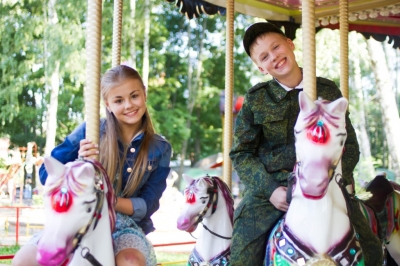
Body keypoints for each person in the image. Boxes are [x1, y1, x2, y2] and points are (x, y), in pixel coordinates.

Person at [229, 22, 382, 266]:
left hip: (328, 182)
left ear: (289, 44)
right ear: (260, 67)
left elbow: (349, 144)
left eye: (276, 47)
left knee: (372, 248)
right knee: (242, 254)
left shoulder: (326, 89)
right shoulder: (257, 99)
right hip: (275, 189)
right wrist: (270, 190)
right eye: (265, 57)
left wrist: (335, 177)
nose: (274, 57)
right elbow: (241, 153)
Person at [12, 65, 172, 266]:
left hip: (126, 226)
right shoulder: (91, 131)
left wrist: (107, 200)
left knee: (130, 262)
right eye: (118, 100)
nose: (129, 105)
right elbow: (47, 173)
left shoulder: (160, 148)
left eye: (134, 96)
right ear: (107, 103)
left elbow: (148, 204)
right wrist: (77, 164)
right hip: (78, 219)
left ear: (144, 93)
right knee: (23, 261)